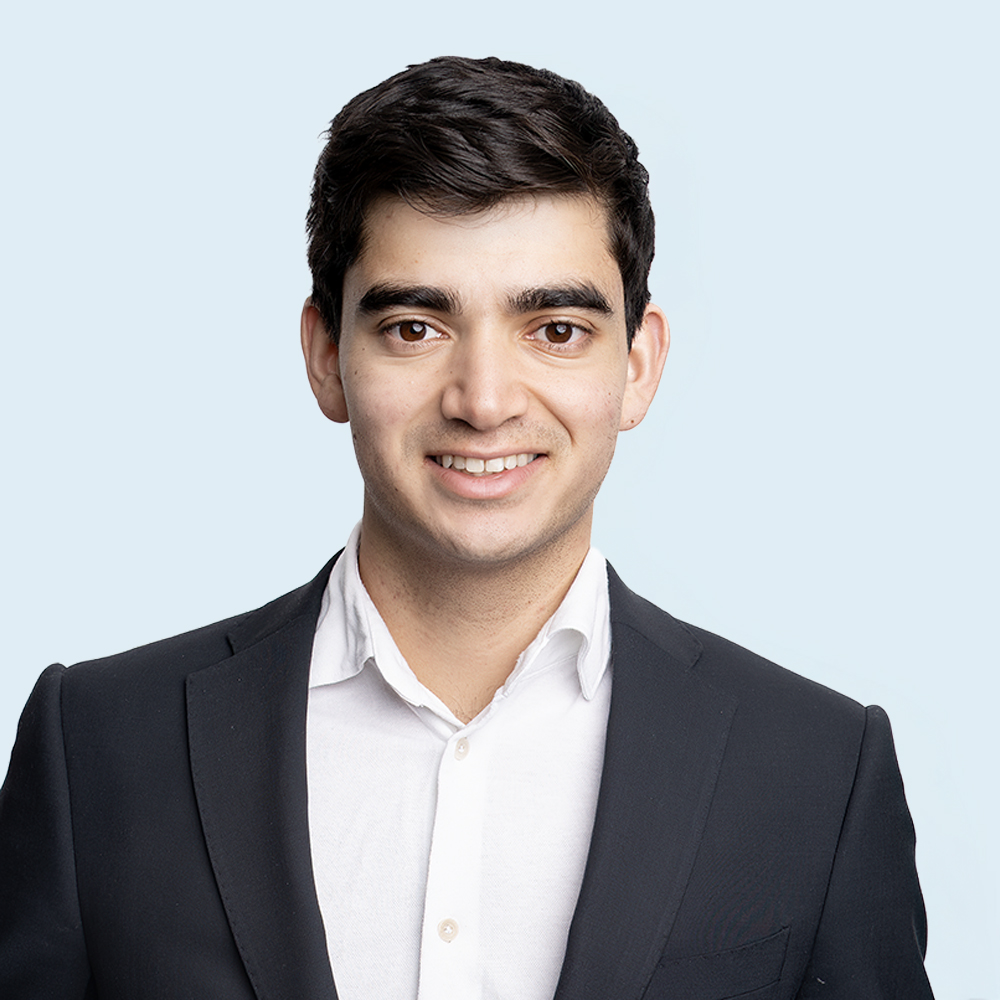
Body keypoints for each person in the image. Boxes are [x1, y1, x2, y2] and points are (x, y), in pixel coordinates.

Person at [0, 56, 933, 999]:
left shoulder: (819, 772)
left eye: (556, 330)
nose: (484, 401)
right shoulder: (99, 750)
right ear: (326, 357)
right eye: (415, 326)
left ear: (640, 364)